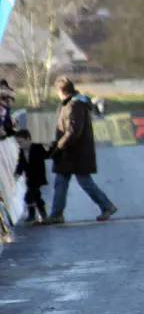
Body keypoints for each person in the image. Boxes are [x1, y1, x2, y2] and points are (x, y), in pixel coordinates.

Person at [42, 76, 117, 224]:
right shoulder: (74, 103)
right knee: (66, 181)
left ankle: (105, 206)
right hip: (74, 152)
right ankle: (58, 213)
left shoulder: (73, 105)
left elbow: (73, 131)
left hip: (74, 153)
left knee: (78, 181)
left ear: (61, 91)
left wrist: (58, 146)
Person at [14, 130, 49, 222]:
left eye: (21, 142)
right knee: (37, 196)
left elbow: (46, 154)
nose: (19, 145)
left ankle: (32, 215)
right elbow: (21, 164)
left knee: (29, 196)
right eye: (18, 143)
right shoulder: (22, 152)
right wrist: (18, 173)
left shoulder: (37, 148)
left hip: (38, 177)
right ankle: (43, 213)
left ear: (28, 139)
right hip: (30, 179)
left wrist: (48, 147)